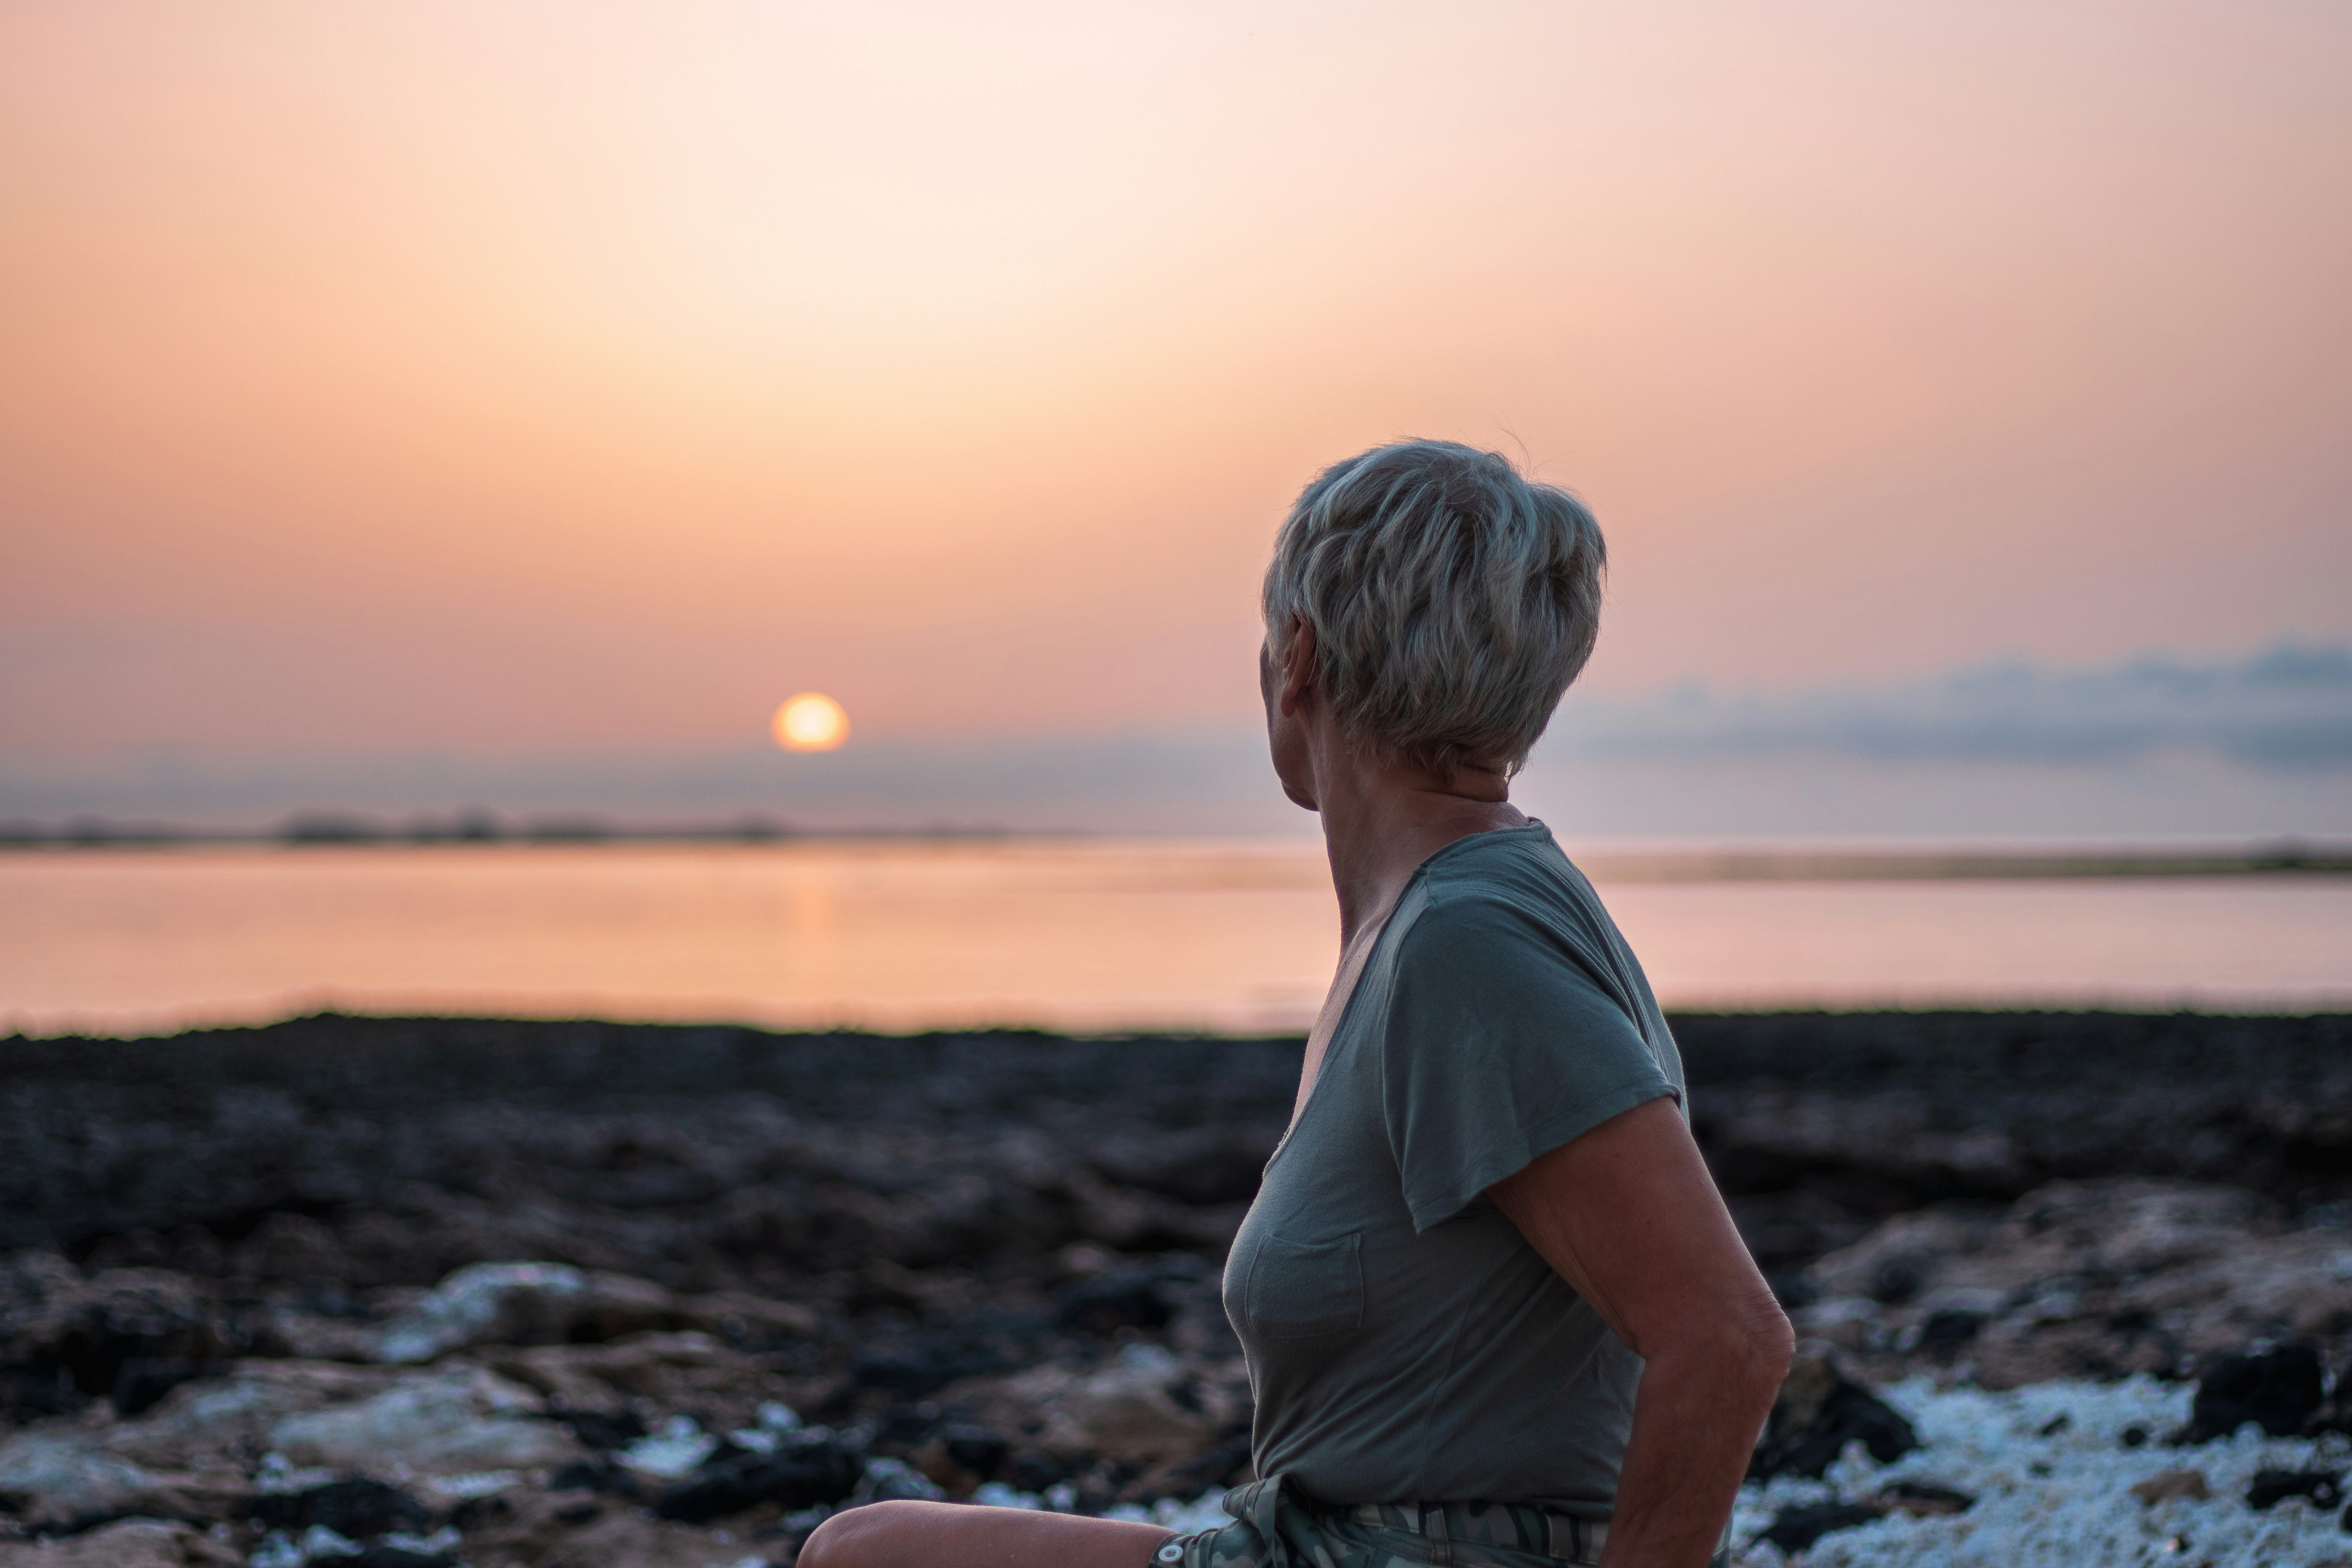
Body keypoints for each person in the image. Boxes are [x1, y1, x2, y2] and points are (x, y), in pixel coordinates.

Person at [801, 441, 1794, 1568]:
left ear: (1300, 658)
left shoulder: (1469, 943)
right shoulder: (1444, 915)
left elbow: (1727, 1337)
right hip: (1317, 1542)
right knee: (873, 1543)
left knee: (867, 1560)